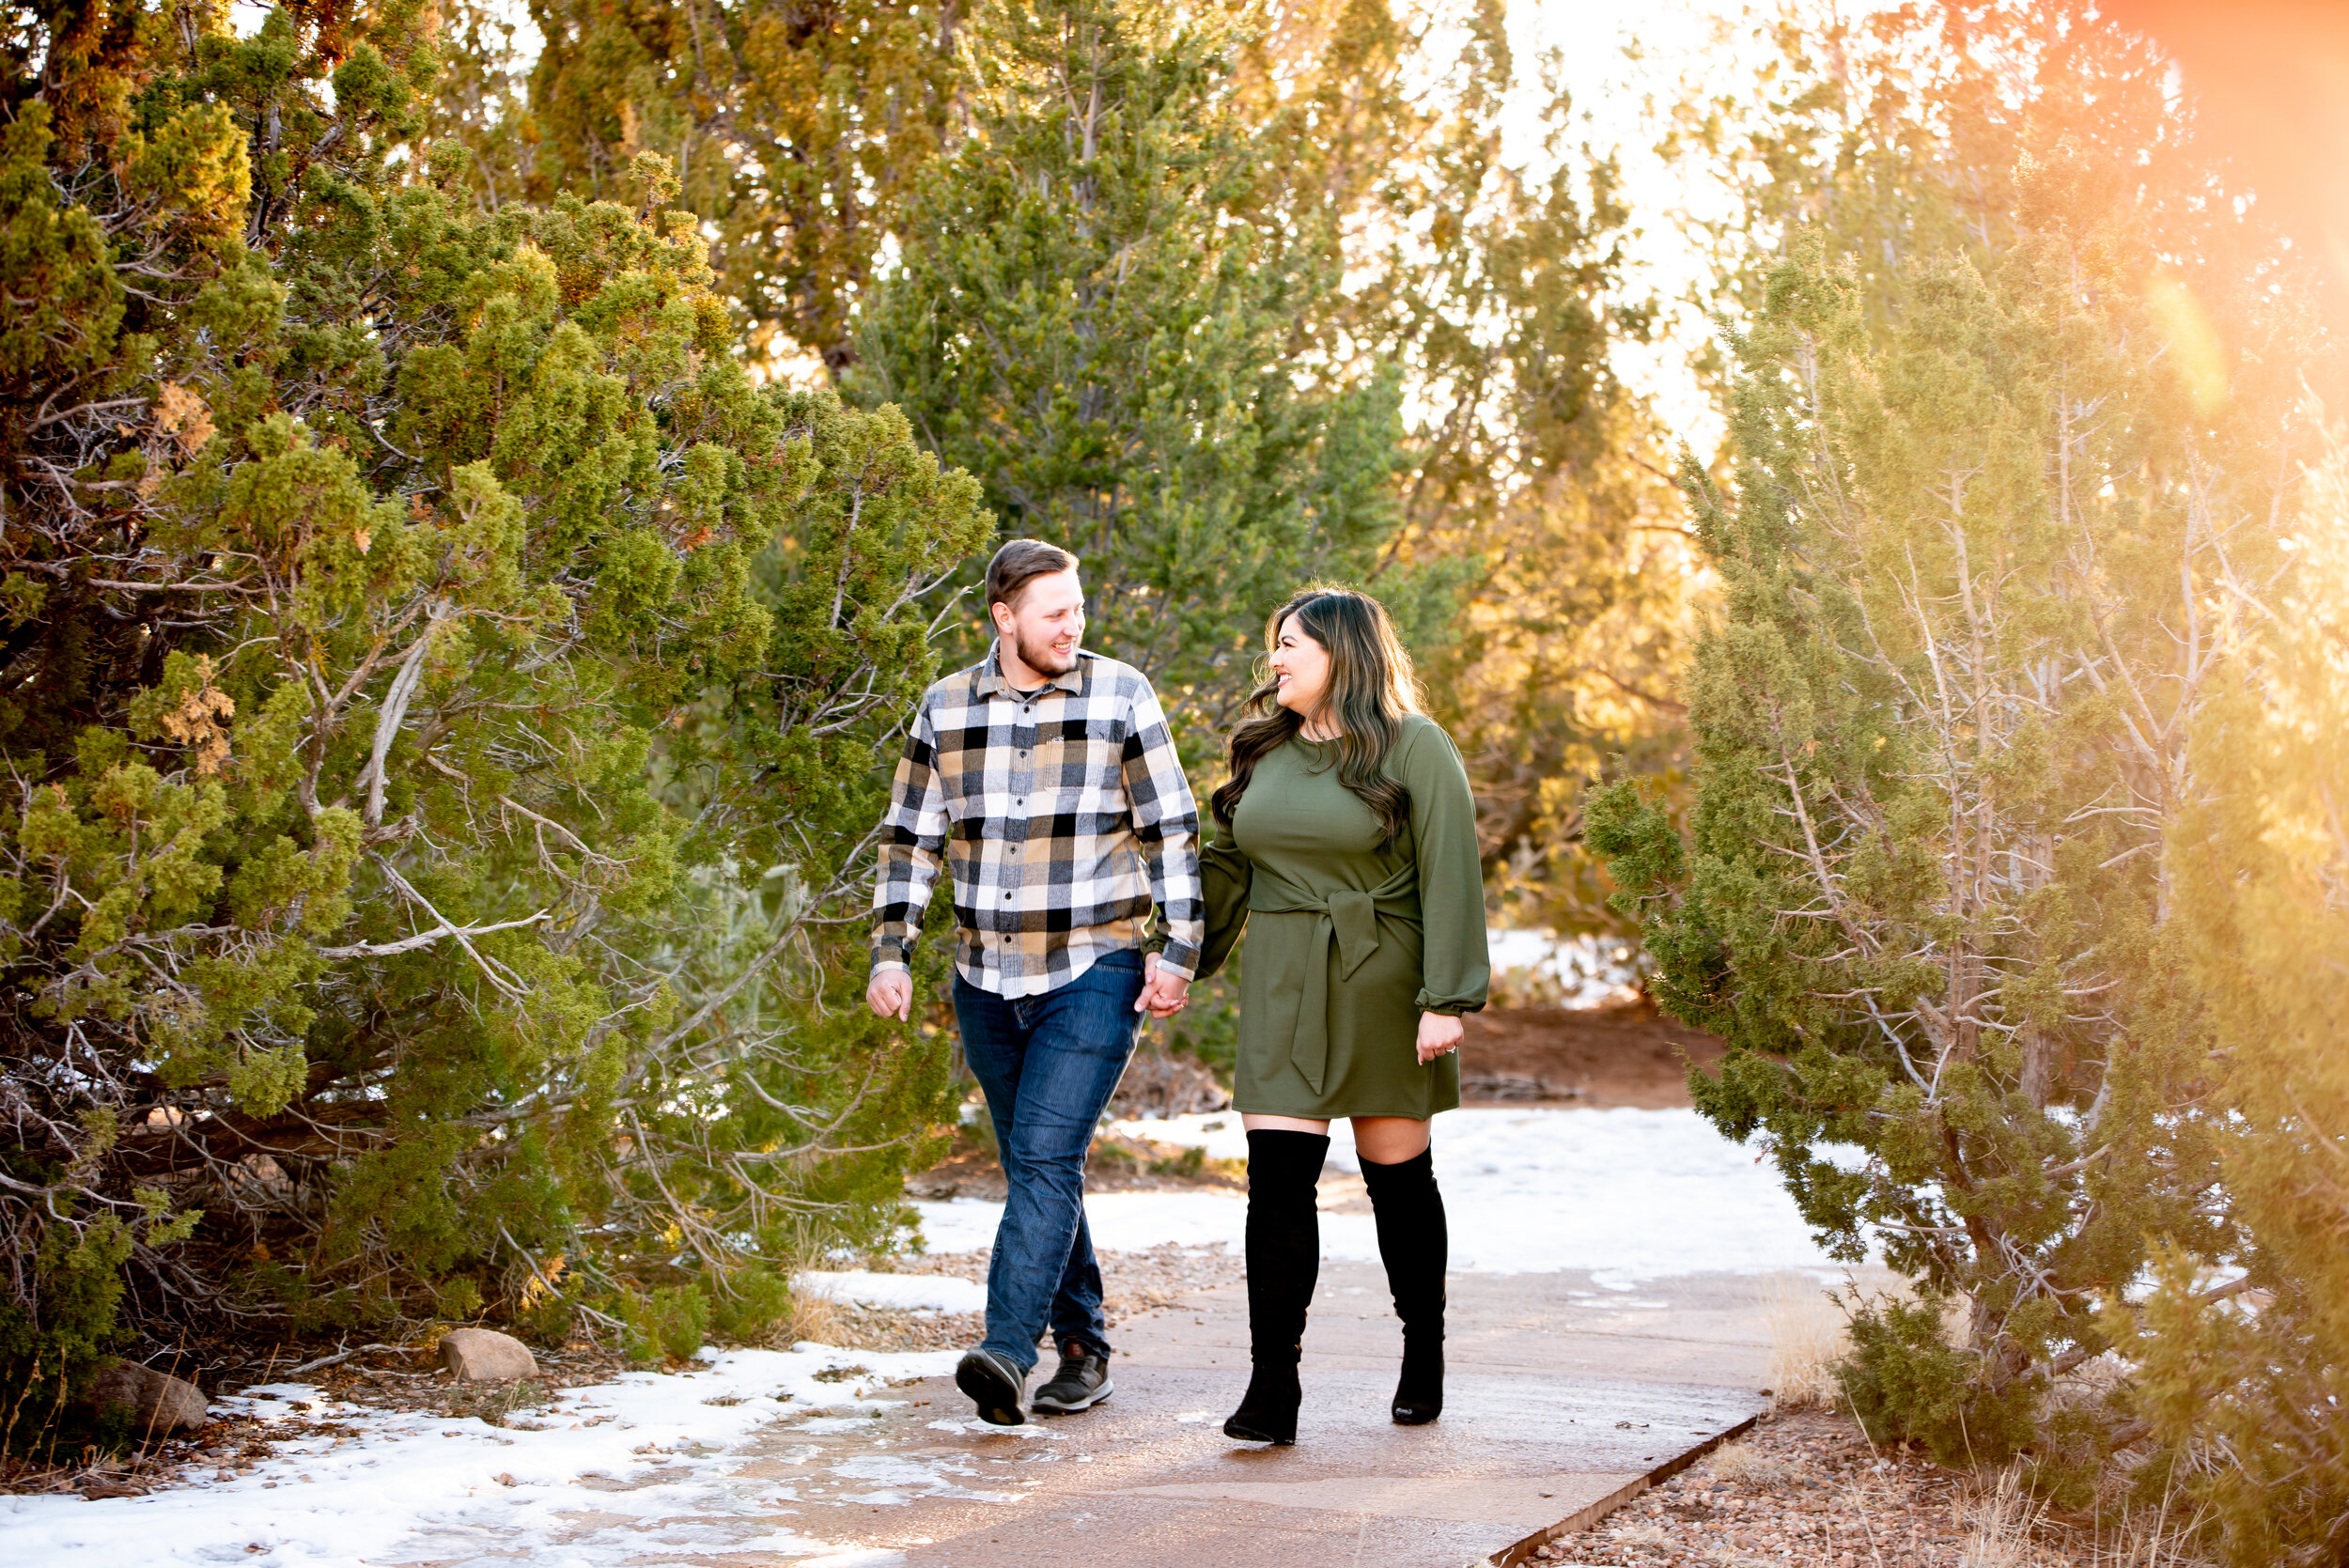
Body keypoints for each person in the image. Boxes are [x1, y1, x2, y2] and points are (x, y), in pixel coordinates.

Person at [867, 538, 1201, 1427]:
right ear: (1003, 617)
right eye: (1055, 610)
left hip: (1094, 968)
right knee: (1035, 1167)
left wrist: (1178, 950)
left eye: (1078, 606)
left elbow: (1172, 827)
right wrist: (890, 950)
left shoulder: (1121, 693)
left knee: (1045, 1159)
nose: (1073, 623)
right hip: (983, 979)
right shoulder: (944, 707)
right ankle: (1085, 1347)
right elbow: (911, 840)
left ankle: (1009, 1352)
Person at [1192, 585, 1489, 1446]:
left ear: (1342, 655)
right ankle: (1272, 1385)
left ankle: (1423, 1350)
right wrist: (1178, 954)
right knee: (1277, 1182)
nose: (1275, 659)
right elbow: (1226, 864)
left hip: (1383, 983)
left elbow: (1451, 870)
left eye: (1292, 644)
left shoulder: (1414, 745)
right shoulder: (1263, 748)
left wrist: (1448, 998)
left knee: (1396, 1182)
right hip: (1284, 982)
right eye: (1275, 643)